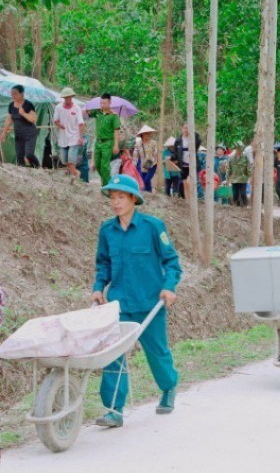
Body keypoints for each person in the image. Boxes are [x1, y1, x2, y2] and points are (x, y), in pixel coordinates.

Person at [91, 175, 182, 428]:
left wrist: (169, 287)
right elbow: (103, 264)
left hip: (149, 304)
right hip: (118, 305)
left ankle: (168, 387)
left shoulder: (153, 227)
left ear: (134, 198)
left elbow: (171, 262)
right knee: (113, 356)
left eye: (121, 197)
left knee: (157, 352)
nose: (116, 203)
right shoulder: (107, 230)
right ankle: (114, 410)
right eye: (113, 198)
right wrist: (99, 288)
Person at [1, 84, 40, 168]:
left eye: (15, 93)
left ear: (22, 94)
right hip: (19, 134)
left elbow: (33, 119)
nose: (13, 95)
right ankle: (24, 174)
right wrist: (4, 132)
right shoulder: (11, 105)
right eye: (12, 93)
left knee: (29, 154)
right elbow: (9, 120)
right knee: (19, 157)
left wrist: (23, 113)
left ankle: (37, 167)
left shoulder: (28, 104)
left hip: (30, 134)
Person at [88, 94, 120, 186]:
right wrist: (90, 107)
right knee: (97, 164)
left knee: (104, 165)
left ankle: (106, 186)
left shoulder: (114, 116)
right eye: (101, 103)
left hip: (108, 142)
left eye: (104, 103)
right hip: (98, 142)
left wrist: (116, 145)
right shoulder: (97, 112)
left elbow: (116, 131)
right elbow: (88, 112)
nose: (102, 104)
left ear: (109, 102)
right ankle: (110, 182)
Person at [53, 87, 85, 177]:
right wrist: (60, 125)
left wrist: (81, 137)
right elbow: (55, 121)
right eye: (66, 97)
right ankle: (73, 172)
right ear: (63, 98)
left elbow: (81, 123)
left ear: (72, 97)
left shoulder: (77, 108)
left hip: (74, 137)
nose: (68, 99)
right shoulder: (58, 108)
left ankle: (75, 175)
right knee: (64, 160)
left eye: (69, 97)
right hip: (63, 138)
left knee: (71, 159)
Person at [174, 124, 201, 199]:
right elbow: (176, 154)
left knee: (190, 183)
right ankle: (187, 202)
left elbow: (199, 140)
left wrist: (193, 132)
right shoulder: (178, 140)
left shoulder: (194, 139)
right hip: (183, 166)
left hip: (192, 165)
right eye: (185, 128)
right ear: (182, 129)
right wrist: (171, 158)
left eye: (188, 128)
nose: (186, 130)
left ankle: (193, 200)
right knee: (185, 184)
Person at [132, 125, 159, 192]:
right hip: (143, 166)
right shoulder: (138, 144)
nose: (149, 134)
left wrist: (150, 162)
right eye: (147, 133)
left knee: (146, 180)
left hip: (152, 165)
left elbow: (155, 154)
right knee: (145, 182)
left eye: (149, 133)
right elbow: (135, 156)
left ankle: (147, 195)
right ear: (142, 134)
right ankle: (149, 196)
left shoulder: (153, 143)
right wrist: (133, 165)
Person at [226, 141, 251, 207]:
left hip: (243, 178)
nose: (239, 150)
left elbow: (248, 166)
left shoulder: (245, 156)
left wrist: (250, 176)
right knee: (235, 194)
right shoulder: (231, 157)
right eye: (238, 148)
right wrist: (227, 179)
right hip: (234, 179)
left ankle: (245, 205)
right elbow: (228, 168)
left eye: (241, 149)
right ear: (236, 148)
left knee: (243, 193)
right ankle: (237, 206)